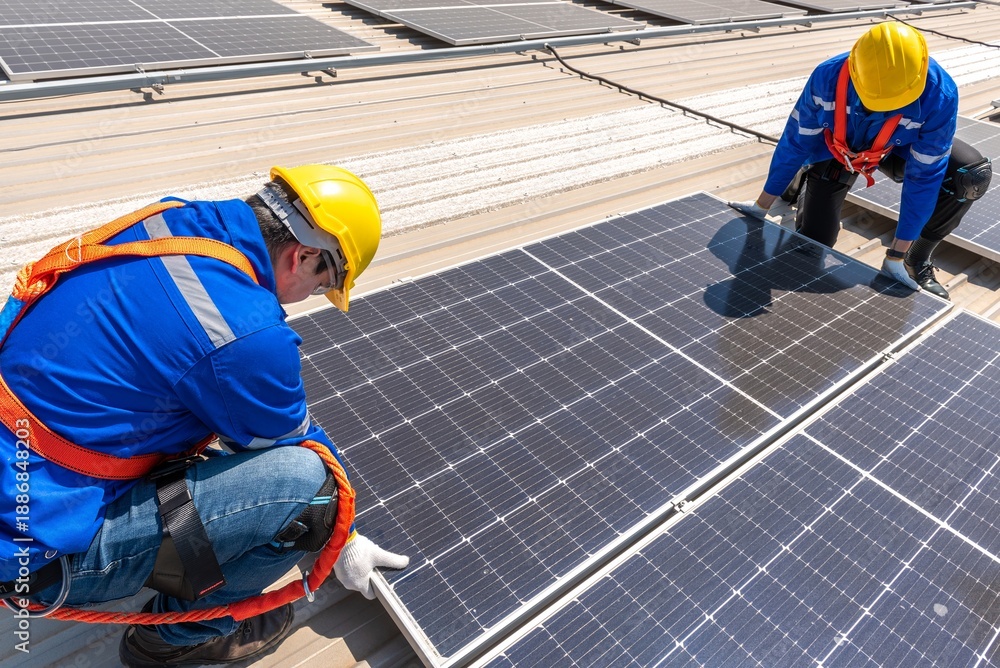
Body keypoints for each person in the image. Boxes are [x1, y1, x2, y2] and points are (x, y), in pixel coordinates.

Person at [0, 165, 409, 666]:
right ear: (302, 256)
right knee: (313, 493)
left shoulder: (172, 219)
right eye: (324, 286)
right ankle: (171, 640)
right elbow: (300, 445)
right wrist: (345, 537)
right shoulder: (244, 336)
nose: (312, 299)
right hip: (30, 554)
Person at [730, 21, 992, 300]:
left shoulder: (940, 95)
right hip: (839, 150)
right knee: (815, 244)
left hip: (896, 149)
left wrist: (896, 255)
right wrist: (762, 205)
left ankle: (915, 260)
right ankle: (803, 178)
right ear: (854, 68)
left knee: (969, 175)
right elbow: (796, 141)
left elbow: (924, 177)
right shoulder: (826, 77)